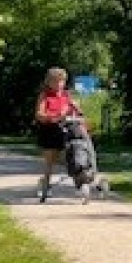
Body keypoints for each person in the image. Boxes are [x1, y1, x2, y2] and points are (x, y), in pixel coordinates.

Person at [32, 67, 80, 202]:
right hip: (49, 130)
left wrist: (75, 109)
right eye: (56, 81)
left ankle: (79, 184)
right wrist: (54, 116)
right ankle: (45, 187)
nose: (59, 84)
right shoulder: (45, 95)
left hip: (65, 130)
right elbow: (39, 114)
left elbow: (75, 112)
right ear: (49, 82)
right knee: (50, 161)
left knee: (70, 158)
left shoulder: (66, 95)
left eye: (61, 81)